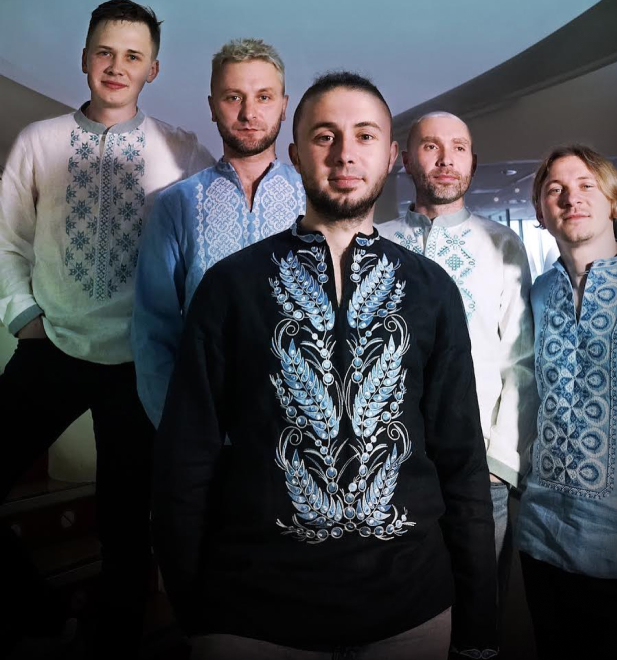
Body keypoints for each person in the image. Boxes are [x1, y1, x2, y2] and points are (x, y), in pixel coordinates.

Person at [151, 71, 497, 660]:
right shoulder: (230, 287)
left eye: (364, 136)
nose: (344, 154)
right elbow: (186, 456)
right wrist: (191, 606)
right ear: (295, 154)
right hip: (252, 614)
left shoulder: (432, 290)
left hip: (411, 610)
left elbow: (461, 458)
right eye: (324, 136)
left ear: (390, 156)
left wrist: (479, 622)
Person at [0, 0, 212, 652]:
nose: (117, 66)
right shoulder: (38, 141)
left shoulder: (183, 149)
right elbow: (8, 238)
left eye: (132, 56)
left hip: (138, 363)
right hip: (52, 347)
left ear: (153, 69)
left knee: (125, 529)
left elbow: (212, 241)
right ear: (85, 58)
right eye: (105, 52)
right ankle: (40, 619)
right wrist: (24, 317)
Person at [376, 111, 535, 648]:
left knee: (475, 624)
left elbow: (521, 363)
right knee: (400, 624)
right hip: (390, 473)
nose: (446, 159)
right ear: (404, 159)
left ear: (473, 161)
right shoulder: (374, 242)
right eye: (431, 146)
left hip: (478, 474)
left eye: (459, 147)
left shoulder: (503, 245)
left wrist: (500, 466)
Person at [514, 144, 617, 660]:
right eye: (556, 190)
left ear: (613, 198)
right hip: (541, 535)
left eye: (586, 185)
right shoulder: (537, 293)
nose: (571, 198)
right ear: (542, 212)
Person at [132, 38, 305, 426]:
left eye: (264, 97)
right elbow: (153, 330)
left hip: (304, 429)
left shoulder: (314, 201)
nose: (249, 113)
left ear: (284, 105)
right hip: (204, 425)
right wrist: (177, 426)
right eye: (233, 97)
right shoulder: (176, 205)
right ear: (212, 107)